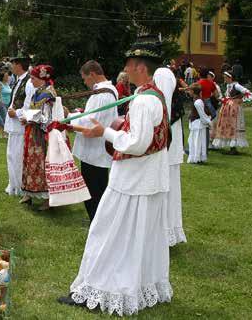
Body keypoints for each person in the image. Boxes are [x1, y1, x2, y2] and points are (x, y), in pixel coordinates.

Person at [58, 35, 172, 315]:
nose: (126, 70)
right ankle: (137, 287)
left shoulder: (145, 101)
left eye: (129, 65)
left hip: (132, 181)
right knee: (140, 238)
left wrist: (104, 132)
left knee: (105, 233)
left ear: (139, 67)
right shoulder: (154, 96)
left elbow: (138, 143)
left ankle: (94, 290)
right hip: (147, 179)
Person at [71, 60, 118, 220]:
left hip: (95, 153)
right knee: (94, 192)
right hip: (95, 151)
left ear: (92, 74)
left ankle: (98, 225)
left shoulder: (103, 94)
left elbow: (90, 123)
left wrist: (68, 120)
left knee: (94, 194)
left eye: (85, 78)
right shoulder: (105, 92)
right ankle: (98, 222)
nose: (85, 82)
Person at [19, 65, 62, 211]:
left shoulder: (49, 95)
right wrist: (27, 117)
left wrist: (30, 118)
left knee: (42, 164)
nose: (31, 81)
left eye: (33, 78)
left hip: (42, 135)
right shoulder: (38, 92)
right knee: (30, 162)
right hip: (32, 132)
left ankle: (48, 199)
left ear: (42, 79)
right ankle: (29, 193)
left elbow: (49, 119)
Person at [154, 66, 186, 247]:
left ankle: (165, 234)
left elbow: (163, 107)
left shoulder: (163, 75)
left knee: (167, 189)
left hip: (169, 148)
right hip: (167, 145)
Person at [5, 54, 34, 199]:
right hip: (14, 125)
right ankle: (14, 184)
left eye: (13, 63)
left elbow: (29, 106)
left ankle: (20, 187)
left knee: (17, 157)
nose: (11, 66)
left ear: (19, 65)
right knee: (11, 155)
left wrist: (16, 112)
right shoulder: (19, 80)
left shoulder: (28, 82)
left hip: (20, 125)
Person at [212, 71, 252, 155]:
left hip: (234, 109)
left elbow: (246, 91)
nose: (224, 79)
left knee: (233, 125)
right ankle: (232, 147)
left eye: (225, 77)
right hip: (228, 108)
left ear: (230, 78)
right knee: (228, 125)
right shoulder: (228, 85)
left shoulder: (236, 85)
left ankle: (233, 148)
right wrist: (225, 99)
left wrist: (239, 99)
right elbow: (228, 96)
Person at [187, 84, 212, 164]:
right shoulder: (195, 100)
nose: (189, 92)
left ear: (193, 92)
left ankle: (198, 158)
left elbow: (202, 114)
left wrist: (208, 122)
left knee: (198, 141)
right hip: (196, 124)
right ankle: (196, 157)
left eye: (190, 90)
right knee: (193, 141)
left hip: (199, 124)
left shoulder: (198, 102)